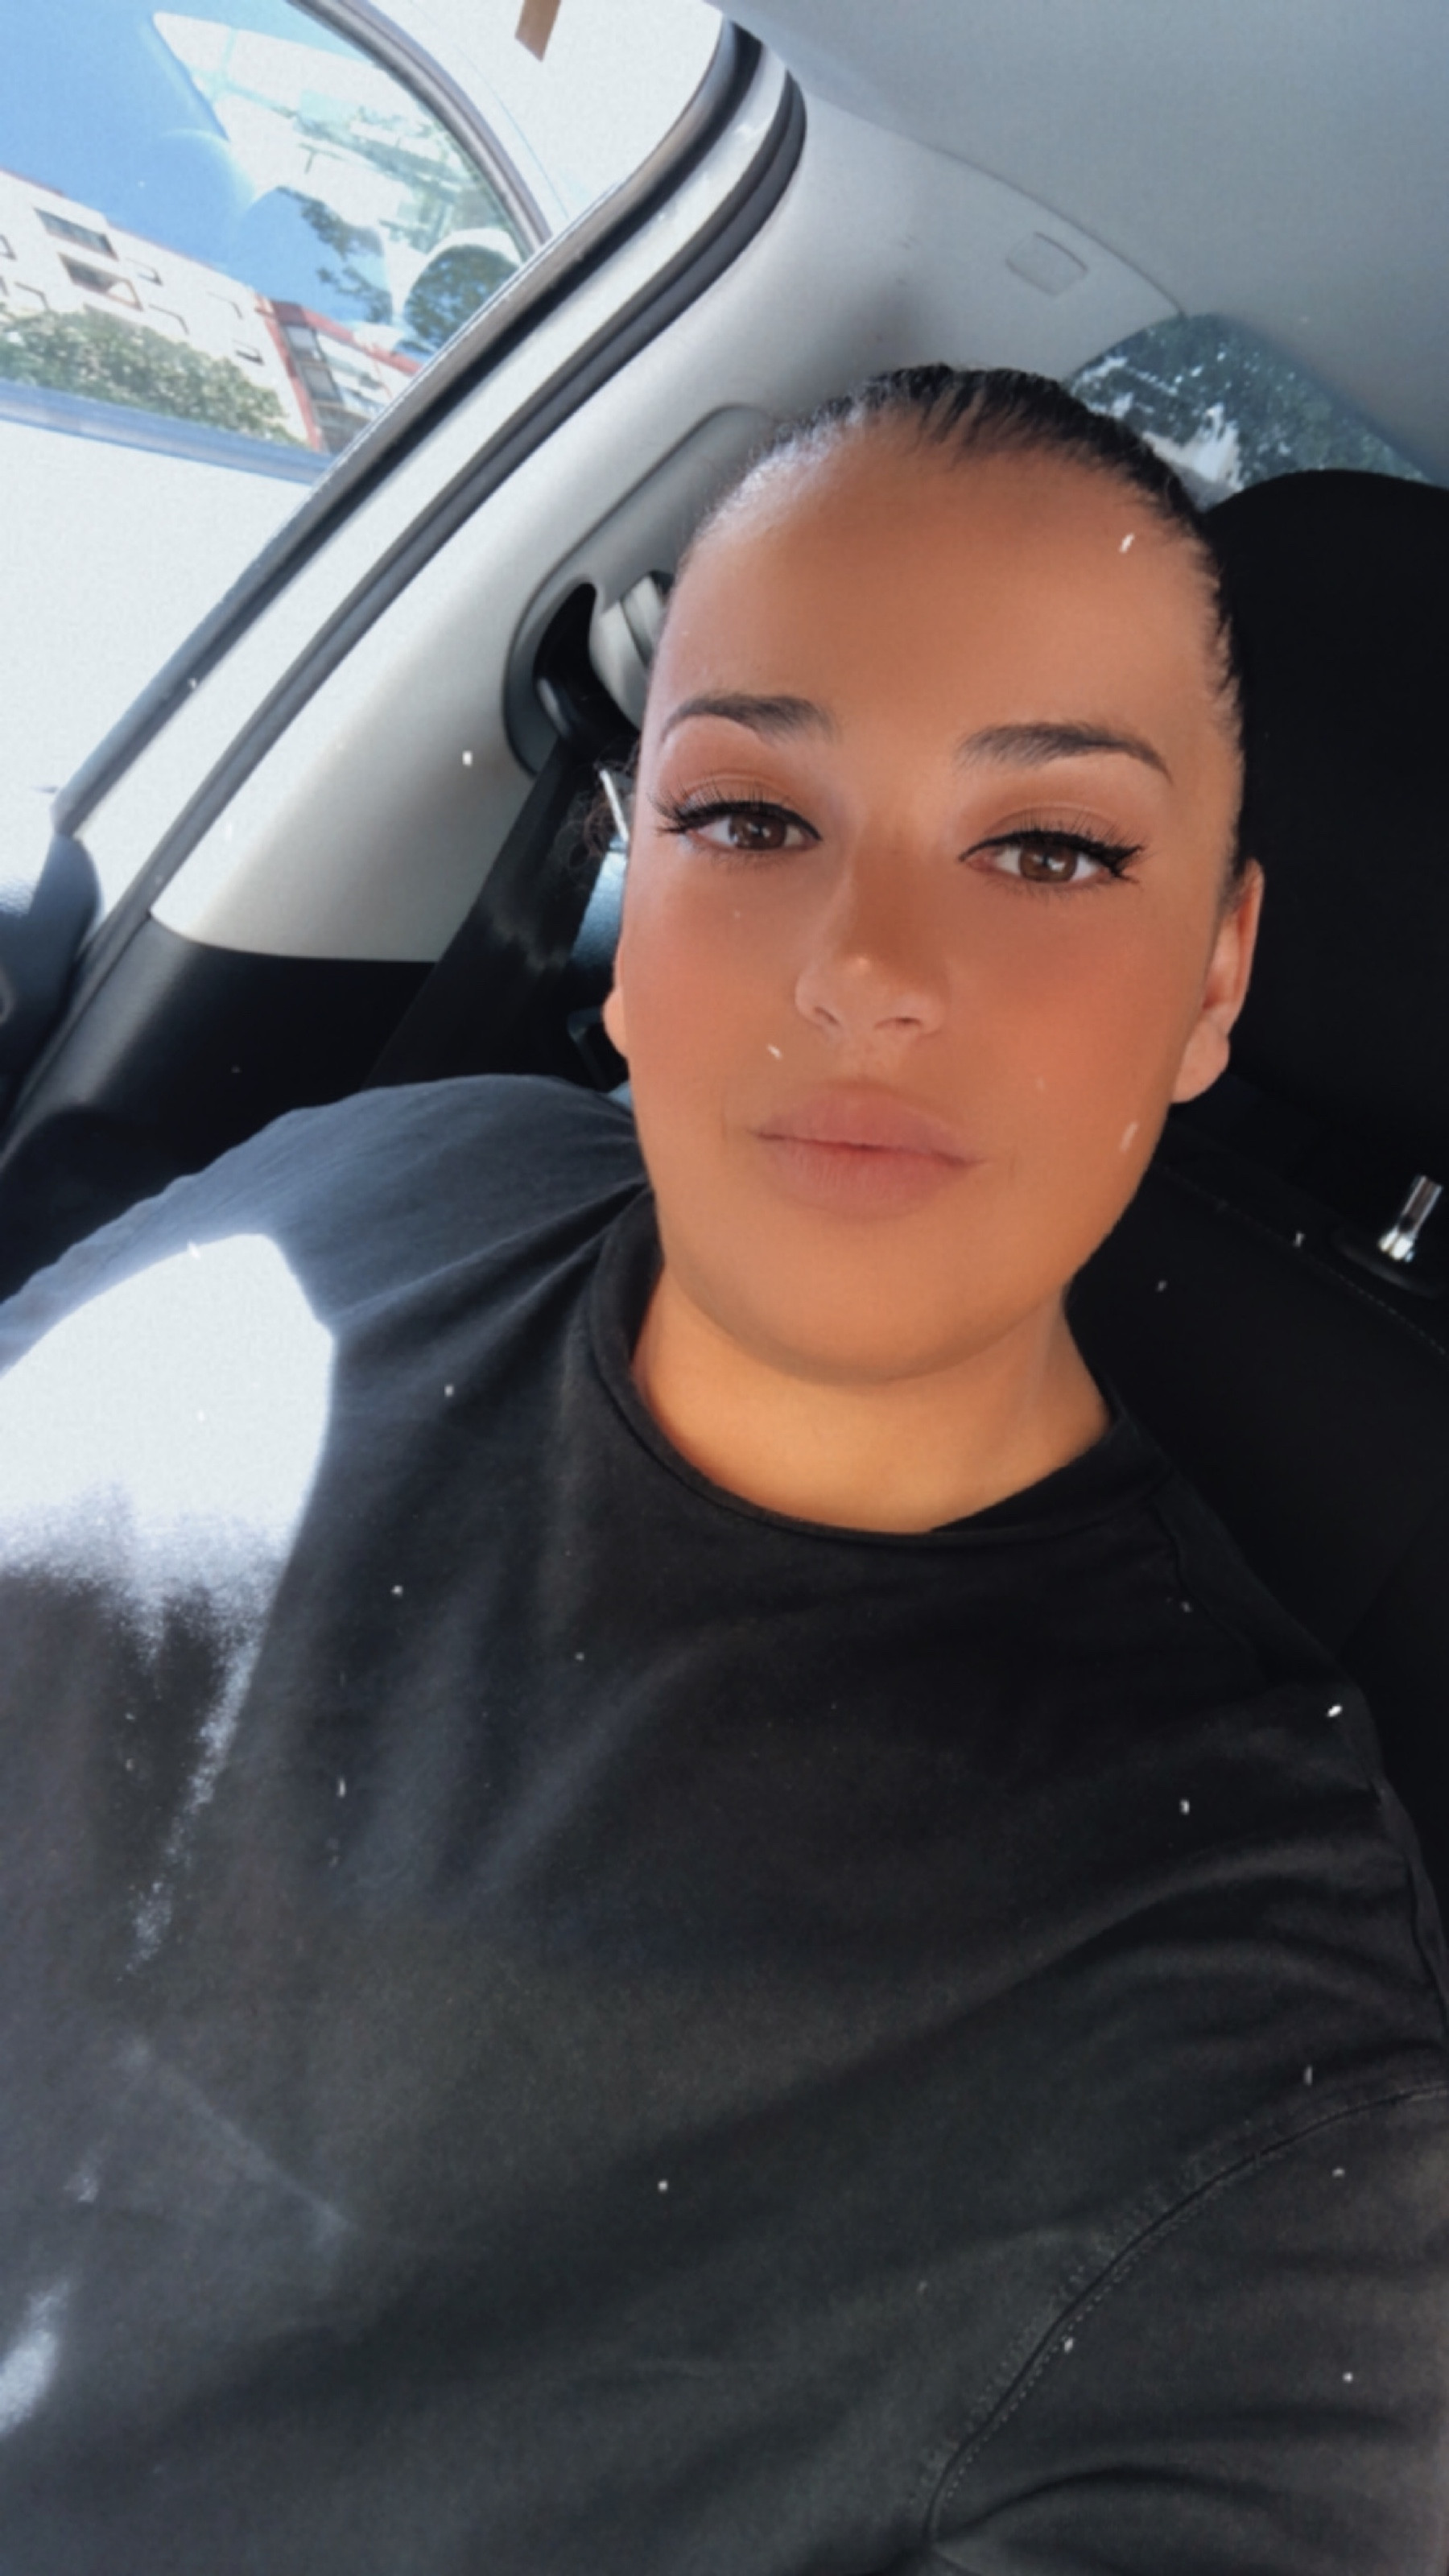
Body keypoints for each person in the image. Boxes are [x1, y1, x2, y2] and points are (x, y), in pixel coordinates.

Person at [0, 365, 1445, 2573]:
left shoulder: (1267, 2097)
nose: (867, 968)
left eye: (1051, 847)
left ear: (1216, 976)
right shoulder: (371, 1172)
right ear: (630, 875)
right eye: (753, 816)